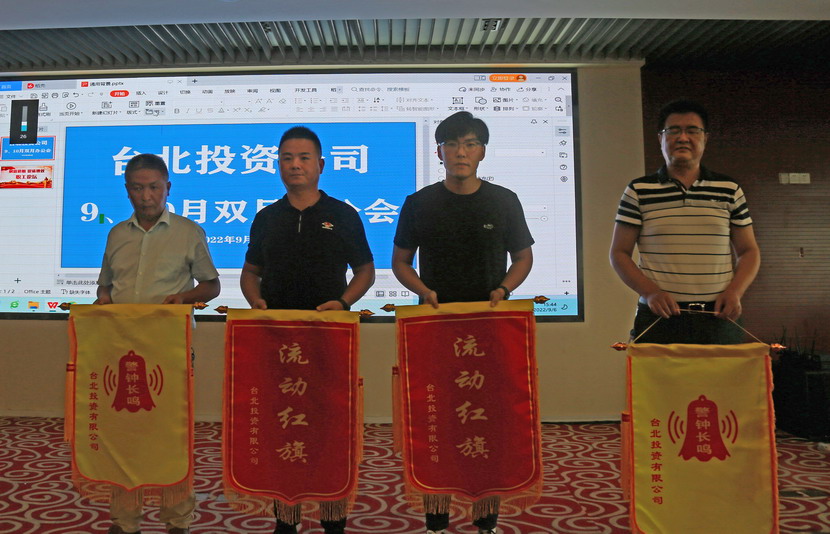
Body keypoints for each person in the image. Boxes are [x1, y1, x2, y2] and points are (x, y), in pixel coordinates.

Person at [392, 111, 534, 534]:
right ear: (438, 152)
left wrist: (504, 289)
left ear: (482, 152)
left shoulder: (503, 200)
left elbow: (522, 257)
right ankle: (436, 518)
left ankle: (486, 518)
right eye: (451, 144)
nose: (460, 152)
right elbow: (400, 262)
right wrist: (424, 290)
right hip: (436, 327)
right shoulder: (419, 203)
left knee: (488, 419)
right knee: (436, 417)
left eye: (470, 143)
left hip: (490, 330)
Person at [240, 125, 375, 534]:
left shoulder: (343, 215)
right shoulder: (266, 218)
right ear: (278, 165)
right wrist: (255, 300)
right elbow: (250, 272)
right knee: (282, 424)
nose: (294, 165)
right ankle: (287, 516)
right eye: (286, 158)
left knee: (329, 428)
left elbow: (365, 270)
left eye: (303, 158)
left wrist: (344, 303)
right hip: (278, 342)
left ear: (321, 165)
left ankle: (334, 517)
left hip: (328, 340)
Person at [96, 153, 221, 534]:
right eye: (138, 188)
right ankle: (125, 519)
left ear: (168, 188)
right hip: (120, 349)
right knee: (122, 435)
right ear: (127, 190)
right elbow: (105, 287)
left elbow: (211, 285)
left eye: (153, 187)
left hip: (170, 349)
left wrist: (184, 297)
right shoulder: (116, 234)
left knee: (171, 436)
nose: (146, 196)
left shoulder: (188, 231)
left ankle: (177, 518)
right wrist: (102, 303)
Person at [609, 99, 761, 344]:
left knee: (726, 372)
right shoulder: (638, 190)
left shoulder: (729, 189)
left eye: (692, 130)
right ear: (660, 138)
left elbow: (748, 251)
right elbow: (619, 253)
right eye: (673, 130)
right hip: (659, 316)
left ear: (705, 138)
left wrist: (735, 291)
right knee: (654, 372)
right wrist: (650, 292)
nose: (682, 137)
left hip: (719, 316)